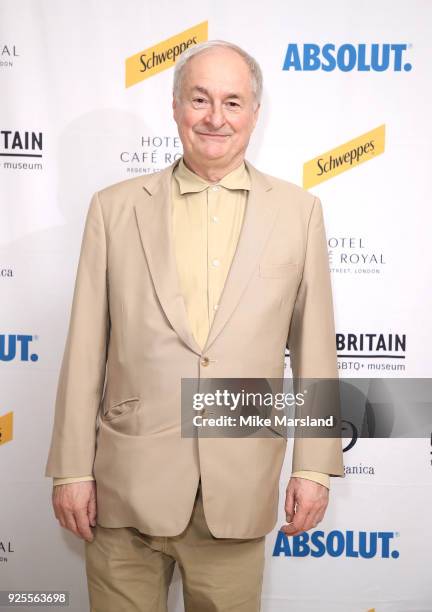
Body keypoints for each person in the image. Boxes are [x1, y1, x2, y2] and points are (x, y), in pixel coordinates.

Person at [45, 40, 344, 612]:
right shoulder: (114, 208)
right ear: (176, 106)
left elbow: (315, 351)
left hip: (238, 488)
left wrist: (314, 466)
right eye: (200, 98)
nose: (215, 117)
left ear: (256, 113)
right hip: (122, 490)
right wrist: (69, 470)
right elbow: (85, 349)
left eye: (233, 102)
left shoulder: (299, 212)